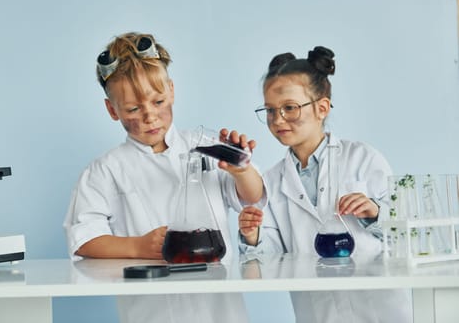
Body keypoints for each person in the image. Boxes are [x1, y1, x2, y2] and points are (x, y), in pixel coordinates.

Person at [63, 31, 264, 323]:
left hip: (220, 308)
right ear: (112, 110)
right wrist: (137, 246)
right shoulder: (105, 170)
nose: (149, 115)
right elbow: (83, 239)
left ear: (171, 90)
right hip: (151, 310)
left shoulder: (206, 144)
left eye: (158, 101)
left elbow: (252, 195)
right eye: (133, 108)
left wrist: (241, 168)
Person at [238, 46, 413, 323]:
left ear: (322, 108)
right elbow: (272, 257)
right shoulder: (271, 180)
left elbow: (406, 230)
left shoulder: (363, 158)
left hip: (379, 310)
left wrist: (375, 212)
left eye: (289, 108)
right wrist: (253, 235)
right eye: (270, 111)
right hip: (317, 312)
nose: (278, 119)